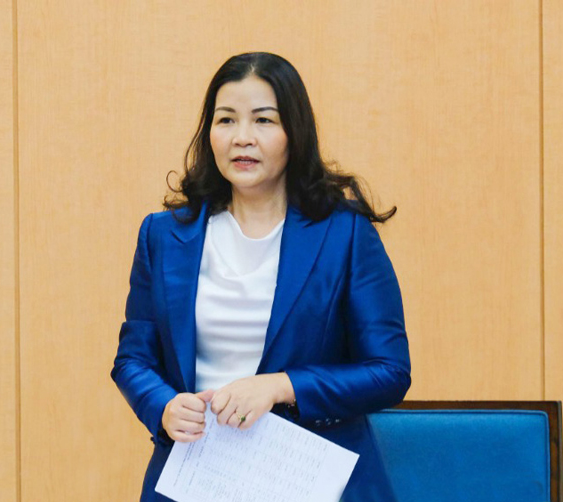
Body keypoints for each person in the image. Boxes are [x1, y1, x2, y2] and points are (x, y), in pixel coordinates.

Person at [111, 52, 411, 502]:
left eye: (264, 120)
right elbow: (133, 359)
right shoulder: (163, 236)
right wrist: (164, 407)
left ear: (294, 132)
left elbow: (389, 371)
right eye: (226, 120)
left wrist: (279, 386)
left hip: (307, 478)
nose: (242, 138)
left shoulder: (344, 234)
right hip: (198, 474)